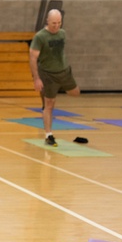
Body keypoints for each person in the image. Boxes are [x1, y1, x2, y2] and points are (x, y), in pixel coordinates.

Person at [29, 9, 80, 146]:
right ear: (47, 21)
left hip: (64, 71)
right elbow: (33, 58)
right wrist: (36, 78)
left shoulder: (62, 33)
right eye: (53, 23)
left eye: (59, 23)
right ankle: (49, 135)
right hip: (48, 74)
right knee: (49, 105)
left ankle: (49, 96)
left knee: (75, 93)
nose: (56, 26)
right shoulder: (40, 37)